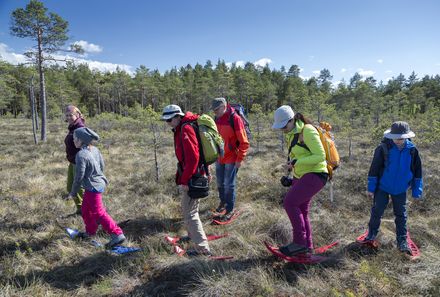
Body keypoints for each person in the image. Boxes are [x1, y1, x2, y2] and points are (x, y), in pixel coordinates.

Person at [272, 105, 328, 256]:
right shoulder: (291, 132)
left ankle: (299, 243)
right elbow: (299, 155)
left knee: (290, 203)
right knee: (302, 210)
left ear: (292, 120)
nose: (282, 129)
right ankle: (307, 246)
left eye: (284, 126)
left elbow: (320, 156)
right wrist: (291, 172)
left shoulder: (307, 130)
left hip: (316, 174)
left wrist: (297, 163)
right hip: (301, 175)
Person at [364, 121, 423, 254]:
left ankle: (402, 241)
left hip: (401, 189)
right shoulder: (383, 148)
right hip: (383, 187)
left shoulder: (412, 150)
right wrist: (371, 188)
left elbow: (418, 171)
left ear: (407, 136)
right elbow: (374, 169)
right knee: (377, 211)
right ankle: (372, 234)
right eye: (395, 137)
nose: (398, 140)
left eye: (401, 138)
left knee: (401, 215)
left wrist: (416, 190)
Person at [161, 104, 211, 256]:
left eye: (170, 119)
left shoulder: (186, 129)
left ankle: (203, 249)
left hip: (193, 176)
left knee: (190, 212)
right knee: (187, 208)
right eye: (166, 120)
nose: (167, 123)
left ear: (178, 116)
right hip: (195, 174)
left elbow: (193, 158)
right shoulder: (182, 128)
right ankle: (192, 236)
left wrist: (185, 180)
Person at [66, 127, 126, 249]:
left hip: (93, 187)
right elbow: (102, 166)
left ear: (81, 140)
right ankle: (90, 232)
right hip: (98, 183)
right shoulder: (95, 149)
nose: (73, 141)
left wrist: (73, 192)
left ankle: (117, 233)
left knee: (99, 212)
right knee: (86, 210)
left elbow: (78, 177)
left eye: (75, 139)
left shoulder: (81, 155)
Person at [211, 98, 250, 221]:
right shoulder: (216, 118)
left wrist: (239, 159)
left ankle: (229, 209)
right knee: (220, 183)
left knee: (229, 185)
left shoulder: (235, 119)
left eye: (217, 109)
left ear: (224, 106)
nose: (215, 112)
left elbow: (244, 142)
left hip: (232, 157)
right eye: (214, 110)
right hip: (219, 157)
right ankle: (223, 203)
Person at [64, 105, 85, 215]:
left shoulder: (79, 127)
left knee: (79, 187)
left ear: (77, 115)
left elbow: (86, 146)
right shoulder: (72, 126)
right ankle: (80, 209)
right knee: (70, 186)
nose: (68, 117)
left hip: (79, 162)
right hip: (73, 162)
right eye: (67, 115)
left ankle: (87, 210)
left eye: (71, 115)